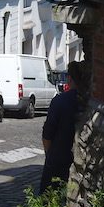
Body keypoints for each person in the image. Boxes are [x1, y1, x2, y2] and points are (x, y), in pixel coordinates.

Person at [40, 60, 82, 194]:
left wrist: (49, 154)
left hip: (58, 157)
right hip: (78, 157)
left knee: (49, 197)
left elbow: (48, 133)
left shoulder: (60, 101)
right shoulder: (86, 102)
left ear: (69, 79)